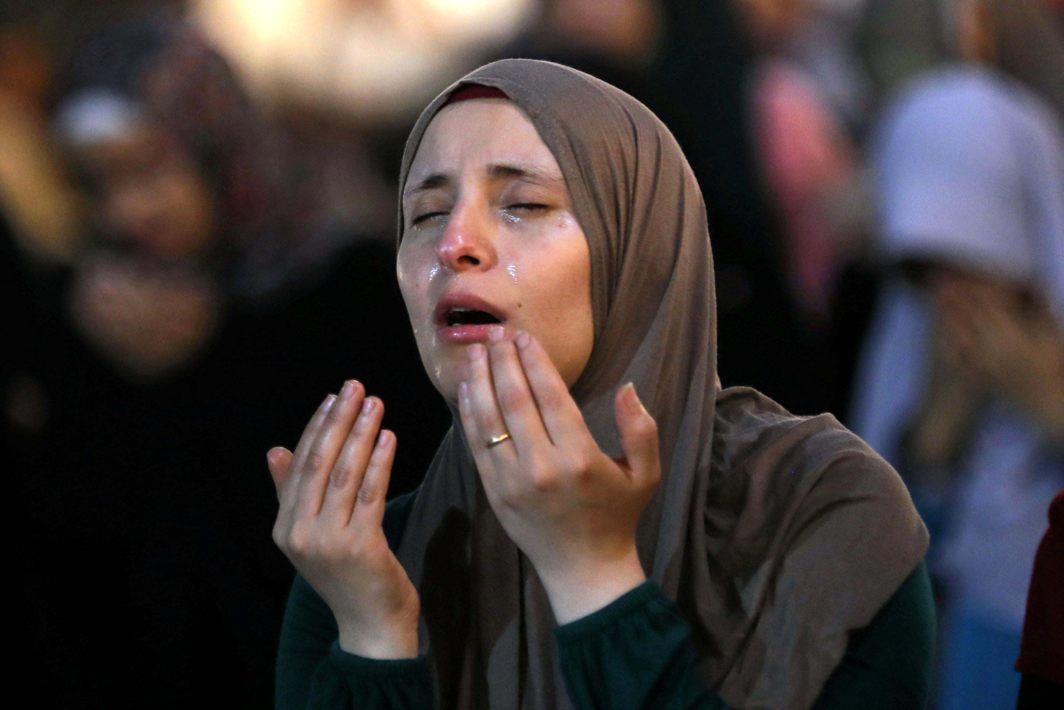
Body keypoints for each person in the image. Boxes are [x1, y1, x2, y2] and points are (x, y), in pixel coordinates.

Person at [272, 59, 934, 709]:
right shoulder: (366, 559)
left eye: (524, 204)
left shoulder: (818, 507)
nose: (454, 243)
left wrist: (592, 580)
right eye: (425, 215)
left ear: (639, 250)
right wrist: (376, 638)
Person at [851, 1, 1064, 706]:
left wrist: (1045, 400)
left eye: (970, 258)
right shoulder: (915, 334)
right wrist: (937, 432)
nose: (950, 293)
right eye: (924, 269)